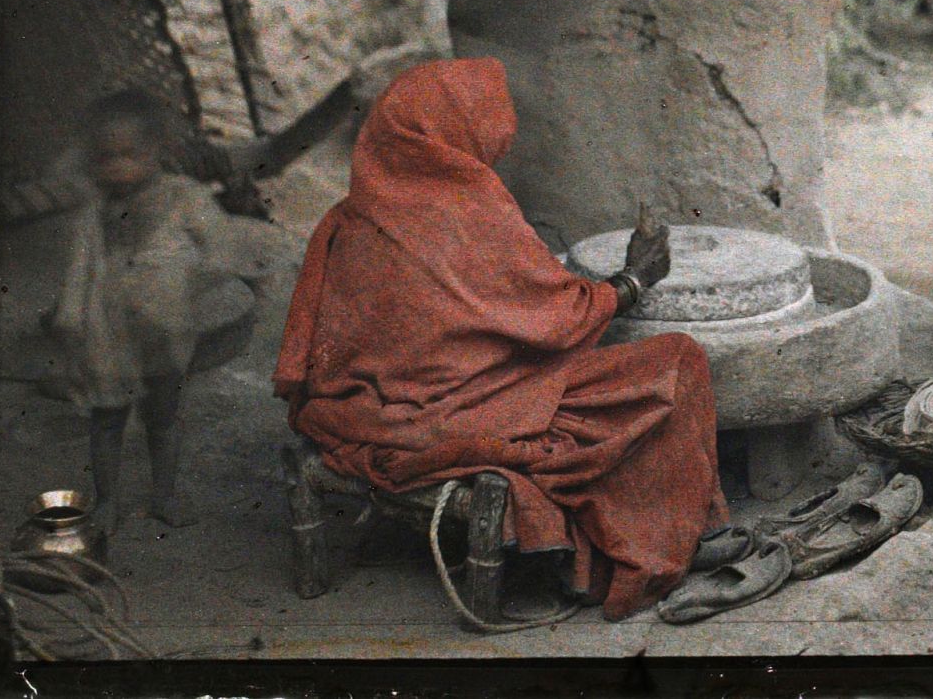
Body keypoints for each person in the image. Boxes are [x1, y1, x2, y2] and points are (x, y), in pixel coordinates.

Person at [273, 58, 727, 622]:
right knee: (677, 361)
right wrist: (634, 279)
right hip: (460, 414)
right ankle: (679, 533)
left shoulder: (347, 217)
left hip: (360, 416)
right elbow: (557, 320)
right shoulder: (469, 212)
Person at [42, 89, 290, 531]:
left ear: (156, 152)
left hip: (165, 331)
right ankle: (107, 501)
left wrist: (231, 272)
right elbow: (80, 268)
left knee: (164, 418)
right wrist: (69, 317)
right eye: (106, 157)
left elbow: (221, 243)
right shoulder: (94, 212)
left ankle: (164, 495)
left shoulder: (182, 198)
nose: (118, 167)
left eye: (130, 155)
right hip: (109, 335)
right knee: (106, 420)